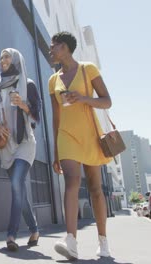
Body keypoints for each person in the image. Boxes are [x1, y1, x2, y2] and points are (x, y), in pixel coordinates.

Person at [48, 31, 112, 260]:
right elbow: (55, 118)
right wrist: (56, 150)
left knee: (95, 188)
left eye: (53, 46)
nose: (50, 50)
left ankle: (103, 241)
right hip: (66, 135)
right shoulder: (52, 80)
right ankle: (71, 240)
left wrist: (83, 98)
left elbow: (107, 101)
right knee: (72, 181)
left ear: (64, 47)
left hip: (90, 133)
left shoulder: (88, 69)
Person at [0, 48, 41, 251]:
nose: (3, 60)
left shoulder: (27, 84)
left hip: (25, 142)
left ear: (16, 60)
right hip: (6, 146)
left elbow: (37, 116)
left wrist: (24, 105)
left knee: (16, 184)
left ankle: (11, 235)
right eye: (1, 57)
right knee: (19, 191)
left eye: (7, 56)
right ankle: (35, 229)